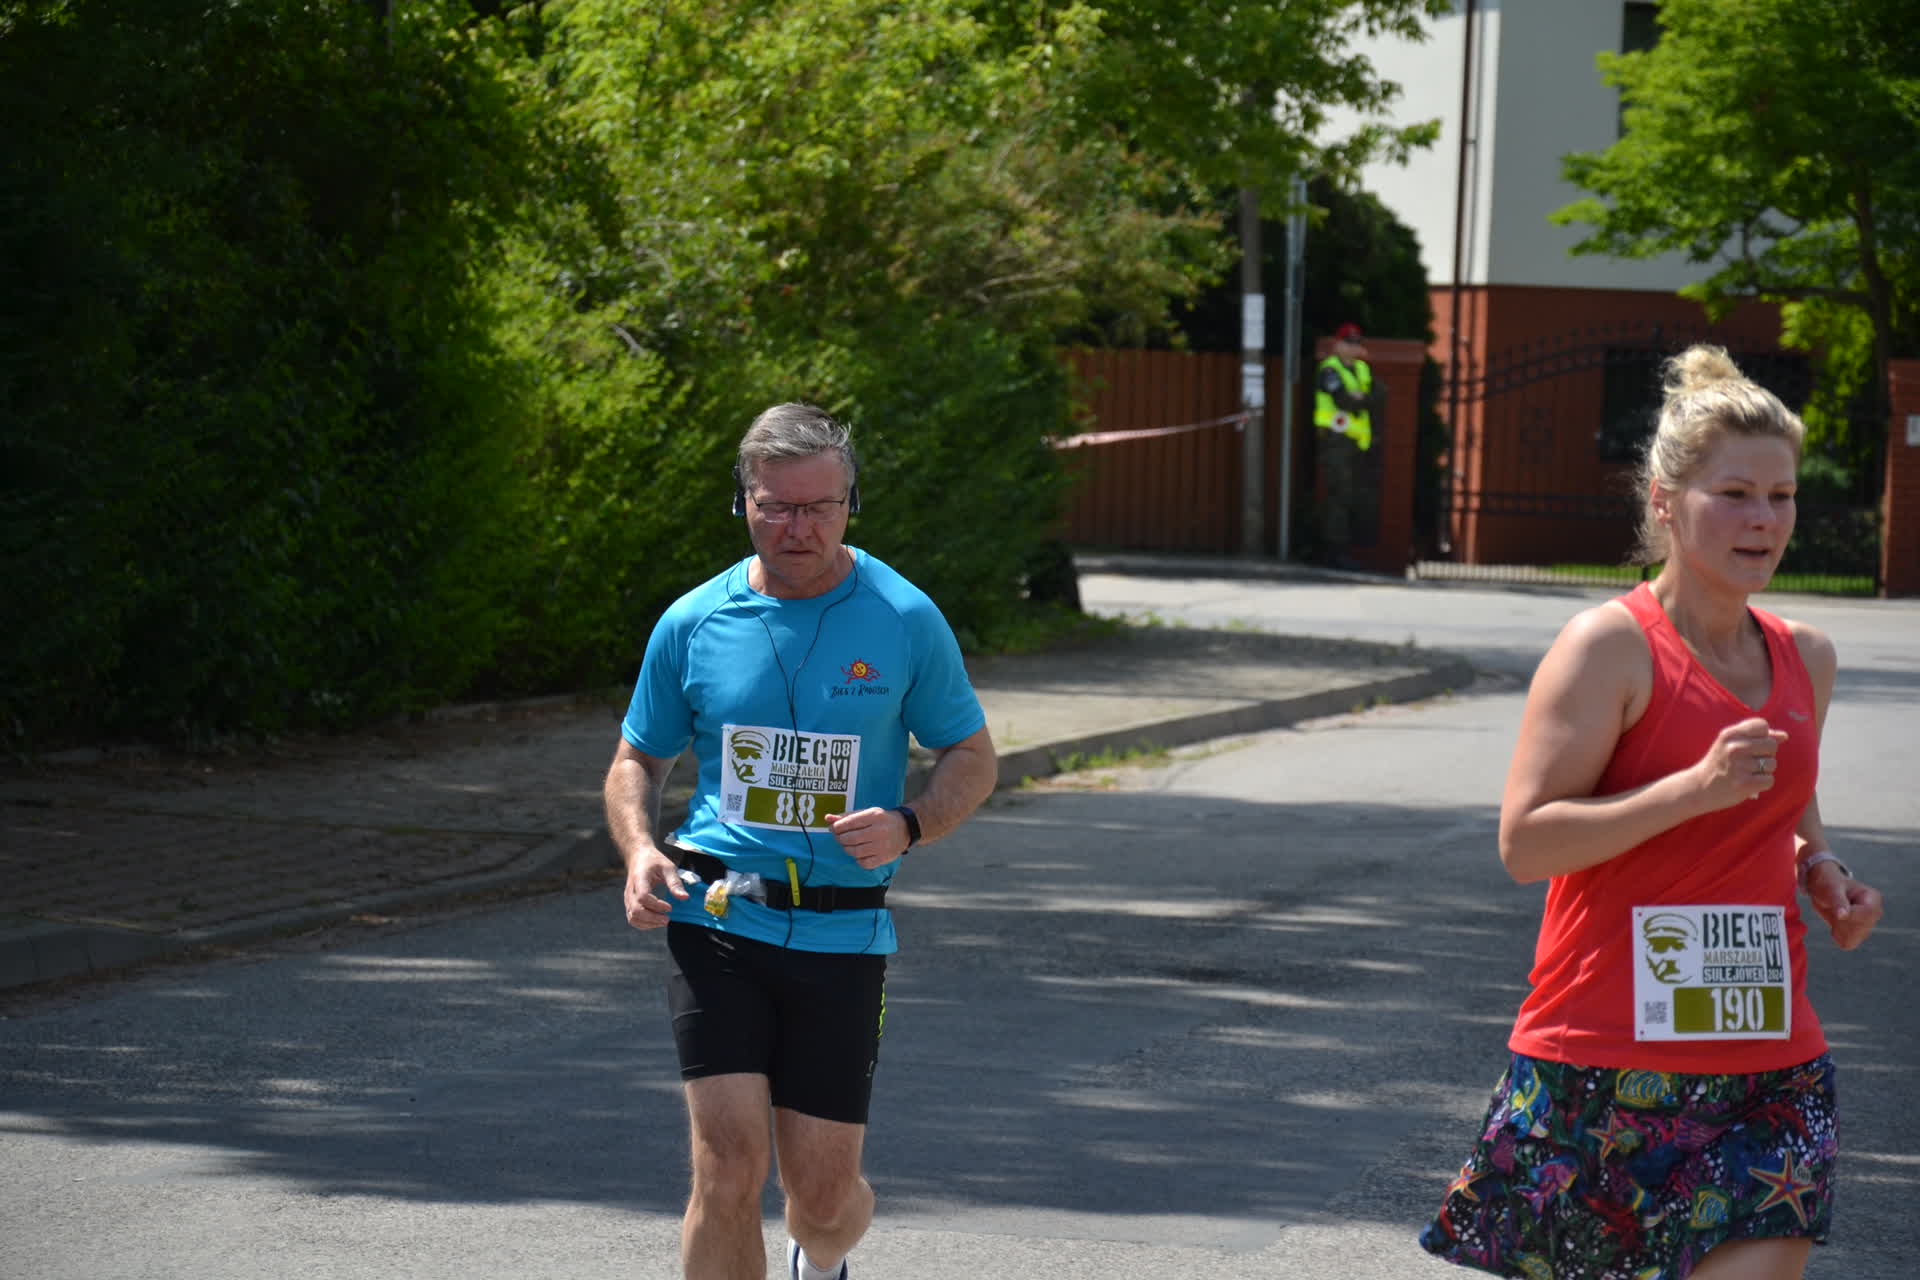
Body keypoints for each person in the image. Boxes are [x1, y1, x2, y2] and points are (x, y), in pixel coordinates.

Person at [1419, 345, 1885, 1279]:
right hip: (1602, 1057)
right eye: (1735, 494)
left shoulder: (1807, 656)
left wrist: (1820, 865)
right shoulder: (1610, 647)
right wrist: (1691, 790)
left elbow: (1782, 799)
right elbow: (1526, 843)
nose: (1764, 519)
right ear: (1665, 502)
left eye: (1782, 496)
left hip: (1767, 1057)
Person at [605, 402, 998, 1280]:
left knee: (821, 1202)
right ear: (742, 502)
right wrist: (639, 849)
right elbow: (637, 759)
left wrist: (911, 822)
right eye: (776, 506)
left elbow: (972, 756)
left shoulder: (902, 616)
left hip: (842, 930)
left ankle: (820, 1257)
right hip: (716, 917)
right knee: (727, 1165)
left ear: (852, 504)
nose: (798, 528)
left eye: (819, 507)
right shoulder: (693, 622)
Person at [1313, 321, 1385, 564]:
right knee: (1339, 495)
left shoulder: (1362, 369)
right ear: (1337, 345)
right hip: (1335, 441)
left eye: (1356, 343)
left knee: (1354, 497)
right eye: (1348, 342)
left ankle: (1343, 551)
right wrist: (1361, 398)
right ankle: (1333, 551)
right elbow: (1344, 400)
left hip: (1358, 443)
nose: (1353, 347)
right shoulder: (1329, 370)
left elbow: (1379, 396)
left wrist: (1361, 398)